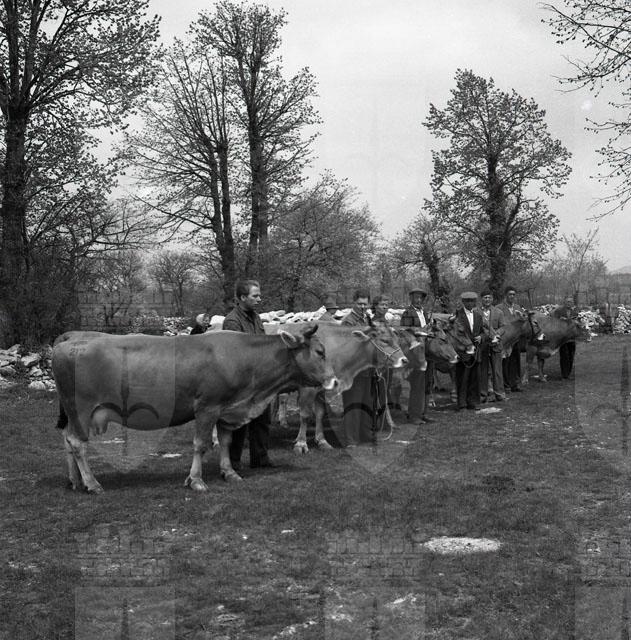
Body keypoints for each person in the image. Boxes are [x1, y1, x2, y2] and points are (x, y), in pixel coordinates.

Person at [219, 280, 274, 470]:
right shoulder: (232, 321)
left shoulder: (256, 317)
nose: (259, 299)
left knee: (262, 419)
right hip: (242, 381)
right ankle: (233, 461)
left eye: (259, 295)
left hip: (260, 377)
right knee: (239, 422)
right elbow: (236, 353)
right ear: (243, 297)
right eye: (255, 296)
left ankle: (260, 458)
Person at [338, 289, 375, 446]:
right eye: (359, 304)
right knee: (353, 404)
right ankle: (351, 439)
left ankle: (365, 435)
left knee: (367, 403)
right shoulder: (348, 321)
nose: (362, 307)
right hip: (353, 371)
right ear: (354, 303)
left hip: (367, 368)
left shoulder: (367, 319)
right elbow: (346, 346)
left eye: (365, 304)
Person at [400, 287, 434, 424]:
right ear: (411, 298)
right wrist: (421, 331)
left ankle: (424, 412)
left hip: (427, 350)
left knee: (428, 382)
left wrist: (430, 327)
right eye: (416, 297)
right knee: (417, 384)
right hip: (415, 353)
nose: (418, 300)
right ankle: (414, 415)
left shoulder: (424, 313)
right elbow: (405, 332)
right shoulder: (407, 313)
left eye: (421, 298)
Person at [454, 291, 484, 411]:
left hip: (476, 351)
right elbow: (455, 333)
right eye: (467, 301)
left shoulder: (478, 316)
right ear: (463, 302)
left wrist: (481, 337)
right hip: (463, 351)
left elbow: (483, 331)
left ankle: (473, 401)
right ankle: (462, 403)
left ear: (475, 302)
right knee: (462, 377)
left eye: (472, 301)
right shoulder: (457, 315)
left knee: (474, 377)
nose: (470, 303)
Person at [478, 290, 507, 402]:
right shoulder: (476, 312)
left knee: (497, 370)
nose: (487, 300)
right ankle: (483, 394)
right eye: (485, 297)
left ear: (492, 299)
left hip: (496, 344)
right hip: (482, 345)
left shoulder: (498, 312)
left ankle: (500, 393)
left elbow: (503, 327)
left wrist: (497, 335)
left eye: (489, 297)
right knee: (483, 370)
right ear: (481, 299)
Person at [498, 286, 524, 393]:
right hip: (505, 340)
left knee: (516, 362)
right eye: (510, 294)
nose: (512, 296)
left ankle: (515, 384)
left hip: (516, 339)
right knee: (505, 363)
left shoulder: (518, 307)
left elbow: (522, 322)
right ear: (505, 295)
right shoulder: (499, 308)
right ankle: (506, 385)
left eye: (514, 294)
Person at [552, 295, 578, 379]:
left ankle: (568, 373)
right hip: (563, 337)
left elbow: (578, 322)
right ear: (564, 302)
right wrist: (560, 320)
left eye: (571, 302)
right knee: (564, 355)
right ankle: (564, 374)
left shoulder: (575, 312)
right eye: (568, 301)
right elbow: (553, 322)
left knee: (571, 355)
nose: (569, 303)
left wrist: (576, 322)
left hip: (572, 337)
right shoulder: (558, 311)